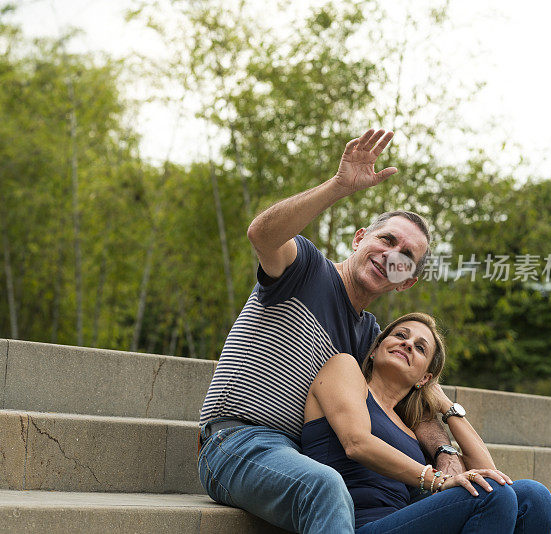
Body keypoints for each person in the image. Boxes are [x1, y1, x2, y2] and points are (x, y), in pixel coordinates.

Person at [198, 129, 471, 533]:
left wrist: (446, 453)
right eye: (386, 239)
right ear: (361, 238)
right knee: (326, 485)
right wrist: (339, 186)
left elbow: (412, 406)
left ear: (406, 281)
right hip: (236, 443)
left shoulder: (372, 339)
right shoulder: (307, 269)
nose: (390, 255)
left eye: (405, 257)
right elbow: (262, 234)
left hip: (301, 456)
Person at [302, 312, 551, 533]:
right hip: (359, 524)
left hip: (407, 520)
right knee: (493, 496)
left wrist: (445, 404)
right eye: (401, 334)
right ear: (377, 347)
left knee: (534, 496)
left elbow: (492, 475)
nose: (408, 344)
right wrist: (438, 479)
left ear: (425, 378)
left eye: (420, 348)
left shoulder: (411, 426)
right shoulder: (344, 369)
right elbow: (356, 443)